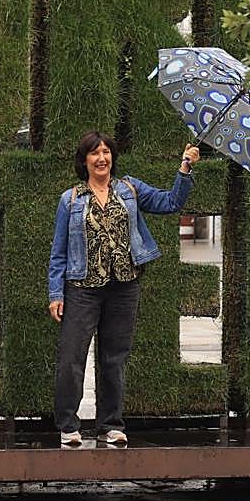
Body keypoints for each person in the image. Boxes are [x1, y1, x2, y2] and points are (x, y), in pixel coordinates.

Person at [48, 130, 200, 448]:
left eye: (106, 152)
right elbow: (58, 251)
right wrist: (56, 293)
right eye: (94, 153)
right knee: (71, 358)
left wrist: (185, 167)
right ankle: (68, 426)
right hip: (82, 287)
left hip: (124, 286)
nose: (101, 158)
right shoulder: (71, 199)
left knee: (114, 358)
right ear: (85, 160)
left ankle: (110, 425)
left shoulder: (129, 189)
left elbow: (170, 202)